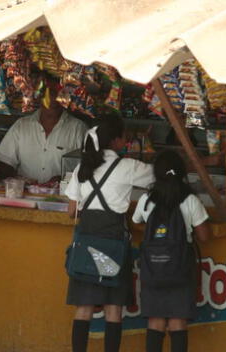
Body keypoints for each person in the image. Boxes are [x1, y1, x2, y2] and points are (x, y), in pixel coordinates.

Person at [65, 114, 155, 352]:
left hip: (86, 240)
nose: (125, 141)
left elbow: (71, 210)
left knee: (83, 307)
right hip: (113, 242)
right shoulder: (128, 167)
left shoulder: (81, 168)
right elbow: (159, 177)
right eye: (123, 138)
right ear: (115, 141)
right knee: (113, 308)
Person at [131, 150, 211, 352]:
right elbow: (204, 236)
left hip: (152, 269)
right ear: (182, 173)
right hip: (180, 270)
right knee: (178, 322)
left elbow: (136, 222)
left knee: (155, 322)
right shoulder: (190, 200)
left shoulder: (147, 200)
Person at [0, 75, 88, 183]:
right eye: (50, 94)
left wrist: (63, 178)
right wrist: (17, 180)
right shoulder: (21, 126)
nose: (54, 99)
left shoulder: (78, 129)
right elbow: (4, 161)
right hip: (25, 194)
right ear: (39, 97)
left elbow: (87, 168)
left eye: (59, 94)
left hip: (62, 196)